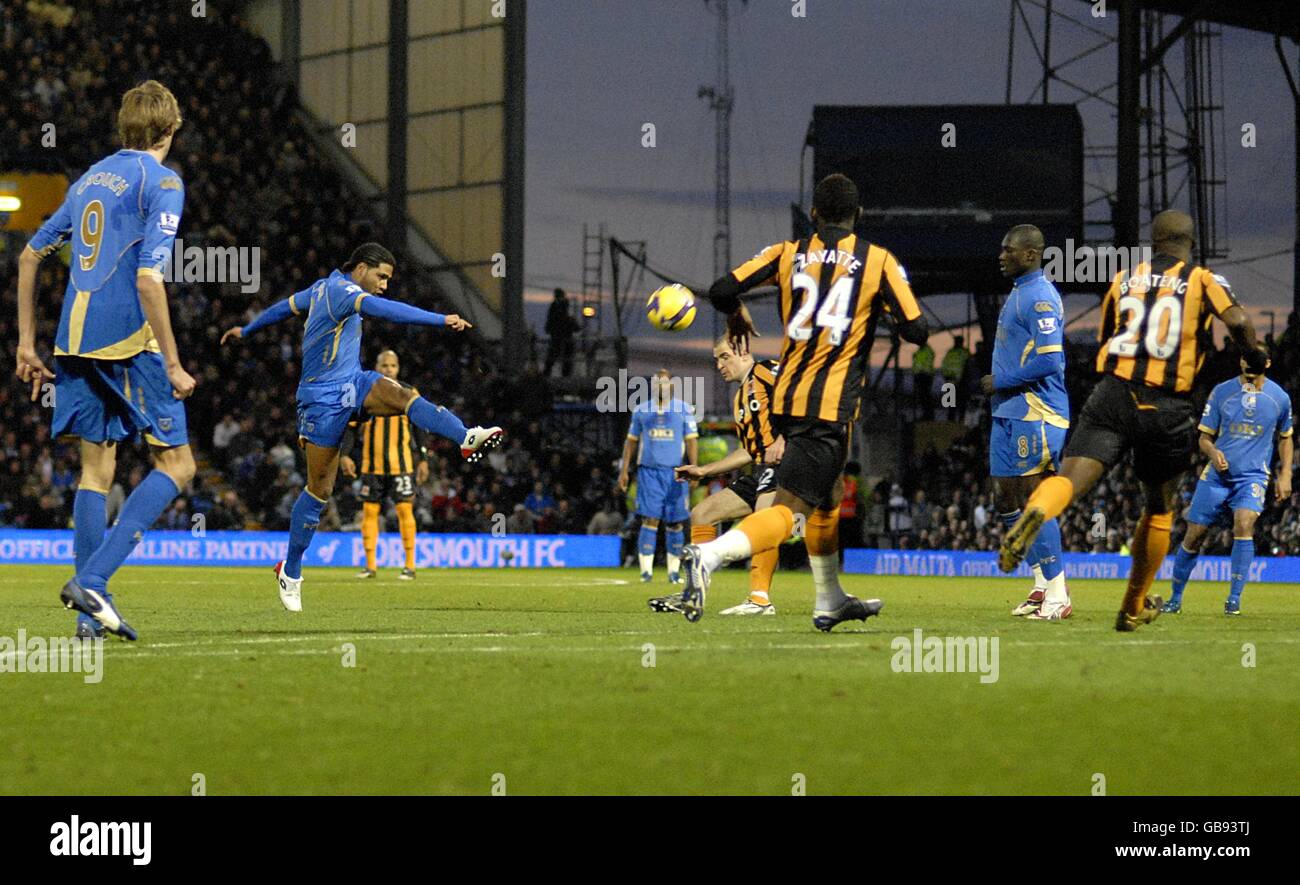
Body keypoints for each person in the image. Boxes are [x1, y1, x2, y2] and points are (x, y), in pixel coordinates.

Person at [681, 173, 930, 629]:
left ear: (813, 214)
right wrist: (876, 312)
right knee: (789, 511)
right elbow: (917, 330)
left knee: (830, 496)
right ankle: (710, 554)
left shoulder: (787, 253)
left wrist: (736, 311)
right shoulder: (877, 261)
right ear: (858, 216)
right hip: (829, 405)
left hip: (787, 396)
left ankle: (830, 598)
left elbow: (720, 290)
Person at [999, 210, 1265, 632]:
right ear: (1189, 243)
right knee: (1158, 510)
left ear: (1153, 242)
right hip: (1168, 408)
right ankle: (1131, 608)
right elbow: (1237, 321)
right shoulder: (1202, 279)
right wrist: (1254, 356)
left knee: (1069, 479)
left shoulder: (1124, 278)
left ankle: (1036, 510)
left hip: (1114, 395)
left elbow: (1106, 336)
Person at [220, 242, 503, 612]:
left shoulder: (320, 288)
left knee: (402, 394)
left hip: (354, 383)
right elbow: (386, 311)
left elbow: (282, 307)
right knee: (319, 489)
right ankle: (290, 570)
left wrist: (249, 329)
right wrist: (439, 319)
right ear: (361, 268)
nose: (384, 284)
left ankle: (465, 437)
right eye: (381, 276)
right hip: (320, 399)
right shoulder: (342, 291)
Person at [15, 81, 195, 641]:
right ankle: (94, 580)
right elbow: (147, 278)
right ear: (170, 129)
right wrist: (172, 362)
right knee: (178, 466)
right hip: (126, 340)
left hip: (72, 339)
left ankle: (89, 622)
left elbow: (29, 253)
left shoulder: (89, 177)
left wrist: (25, 342)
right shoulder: (163, 182)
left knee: (97, 472)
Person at [650, 338, 784, 615]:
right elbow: (748, 451)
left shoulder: (767, 371)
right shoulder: (739, 399)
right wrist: (703, 470)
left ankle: (760, 599)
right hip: (759, 468)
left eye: (724, 357)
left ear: (743, 352)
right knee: (702, 513)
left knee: (763, 518)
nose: (720, 365)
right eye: (716, 360)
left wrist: (784, 437)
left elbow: (799, 400)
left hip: (787, 464)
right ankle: (693, 593)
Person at [980, 224, 1071, 620]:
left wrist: (1001, 380)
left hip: (1037, 411)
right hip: (1008, 410)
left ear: (1031, 254)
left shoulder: (1039, 297)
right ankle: (1039, 585)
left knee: (1034, 500)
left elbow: (1051, 360)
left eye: (1009, 250)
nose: (1002, 255)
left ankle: (1059, 593)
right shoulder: (1019, 292)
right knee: (1005, 498)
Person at [1163, 345, 1292, 615]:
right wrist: (1213, 451)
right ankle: (1175, 598)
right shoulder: (1222, 392)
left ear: (1267, 363)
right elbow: (1204, 437)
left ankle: (1234, 599)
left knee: (1244, 523)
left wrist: (1285, 474)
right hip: (1217, 477)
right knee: (1195, 534)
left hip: (1253, 476)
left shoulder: (1279, 398)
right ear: (1240, 362)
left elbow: (1285, 437)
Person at [339, 350, 430, 580]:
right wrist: (344, 455)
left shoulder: (408, 392)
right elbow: (350, 428)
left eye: (392, 365)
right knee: (369, 512)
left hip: (402, 465)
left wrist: (424, 459)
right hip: (372, 466)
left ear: (397, 368)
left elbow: (420, 427)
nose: (388, 369)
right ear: (376, 368)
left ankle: (409, 565)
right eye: (384, 365)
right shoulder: (363, 393)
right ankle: (370, 566)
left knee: (404, 509)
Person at [617, 369, 698, 584]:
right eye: (657, 381)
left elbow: (691, 441)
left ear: (672, 385)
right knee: (650, 519)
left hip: (675, 472)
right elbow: (631, 442)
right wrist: (624, 470)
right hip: (649, 472)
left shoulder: (683, 409)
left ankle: (673, 573)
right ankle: (646, 572)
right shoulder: (642, 410)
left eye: (665, 380)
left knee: (675, 522)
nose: (661, 384)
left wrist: (694, 467)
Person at [543, 288, 578, 378]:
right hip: (561, 336)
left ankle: (550, 373)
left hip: (558, 336)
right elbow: (564, 321)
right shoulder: (558, 307)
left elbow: (553, 322)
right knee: (562, 357)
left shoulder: (555, 307)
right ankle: (563, 375)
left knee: (556, 356)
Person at [912, 342, 935, 419]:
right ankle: (926, 414)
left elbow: (926, 363)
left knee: (925, 396)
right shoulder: (920, 351)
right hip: (920, 376)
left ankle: (928, 414)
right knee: (922, 396)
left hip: (925, 376)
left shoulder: (927, 351)